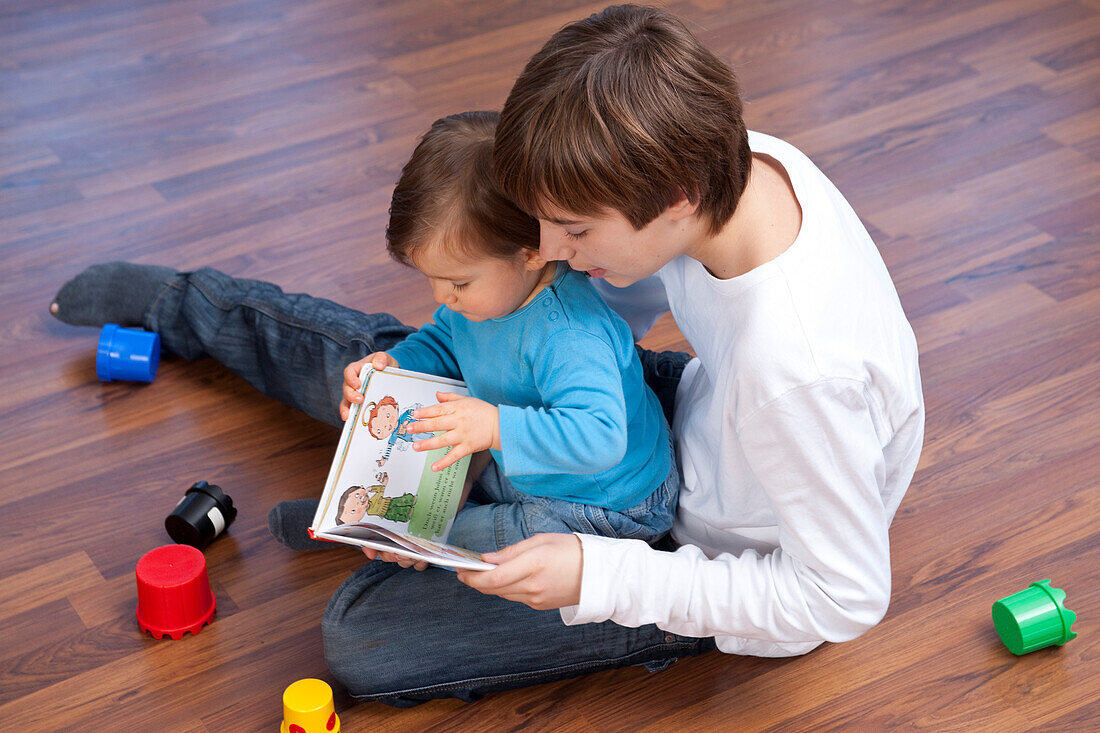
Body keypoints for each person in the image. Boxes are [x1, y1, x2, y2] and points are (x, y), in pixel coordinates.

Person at [49, 3, 923, 708]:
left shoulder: (798, 372)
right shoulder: (749, 164)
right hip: (671, 414)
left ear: (677, 195)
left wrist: (602, 574)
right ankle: (185, 304)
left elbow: (841, 596)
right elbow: (602, 302)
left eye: (574, 229)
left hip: (682, 549)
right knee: (399, 358)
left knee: (364, 639)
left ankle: (413, 521)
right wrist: (484, 330)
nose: (547, 245)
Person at [336, 110, 678, 553]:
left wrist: (495, 426)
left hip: (607, 506)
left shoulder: (569, 337)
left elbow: (600, 437)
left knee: (437, 536)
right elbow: (444, 340)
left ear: (533, 251)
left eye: (458, 282)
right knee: (424, 485)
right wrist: (394, 365)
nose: (443, 297)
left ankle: (376, 534)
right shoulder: (485, 298)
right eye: (431, 279)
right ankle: (354, 523)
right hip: (533, 464)